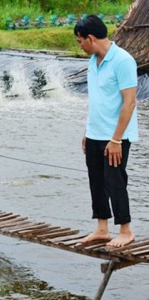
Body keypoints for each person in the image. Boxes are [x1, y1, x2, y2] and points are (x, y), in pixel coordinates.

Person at [74, 15, 138, 247]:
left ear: (90, 38)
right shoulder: (94, 61)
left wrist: (116, 139)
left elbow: (129, 102)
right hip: (95, 133)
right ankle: (102, 228)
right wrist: (87, 131)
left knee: (115, 181)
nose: (80, 46)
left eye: (80, 41)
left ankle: (126, 230)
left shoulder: (123, 61)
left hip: (115, 137)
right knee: (96, 181)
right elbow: (97, 100)